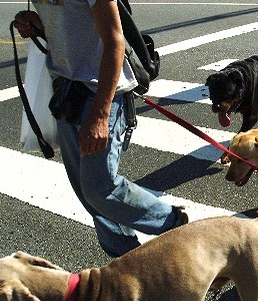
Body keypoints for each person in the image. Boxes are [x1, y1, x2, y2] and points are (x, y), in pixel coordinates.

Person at [14, 0, 187, 258]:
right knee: (89, 194)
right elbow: (67, 25)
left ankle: (175, 224)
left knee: (99, 187)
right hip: (65, 89)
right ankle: (128, 262)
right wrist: (36, 24)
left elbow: (115, 41)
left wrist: (100, 115)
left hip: (101, 91)